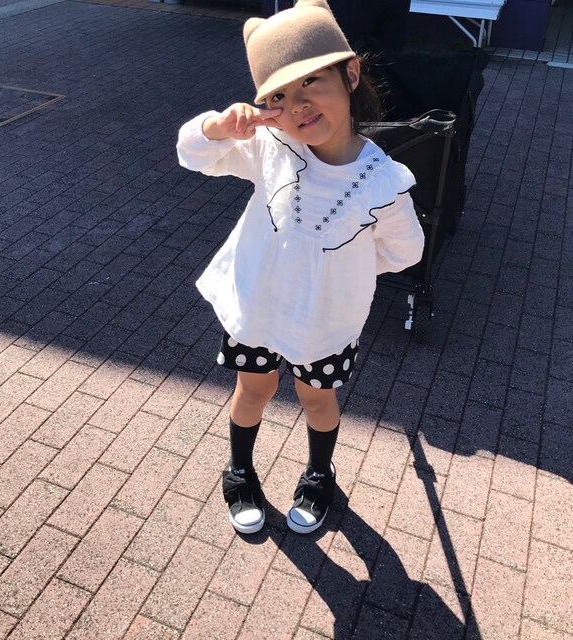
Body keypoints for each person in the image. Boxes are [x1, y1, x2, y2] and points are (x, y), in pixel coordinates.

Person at [176, 0, 424, 535]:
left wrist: (339, 267)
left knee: (317, 398)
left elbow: (405, 251)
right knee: (253, 389)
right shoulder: (269, 146)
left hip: (325, 320)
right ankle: (239, 470)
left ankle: (319, 472)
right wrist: (220, 127)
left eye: (312, 81)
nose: (299, 106)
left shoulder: (383, 181)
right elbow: (193, 154)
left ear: (350, 73)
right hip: (259, 306)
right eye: (279, 96)